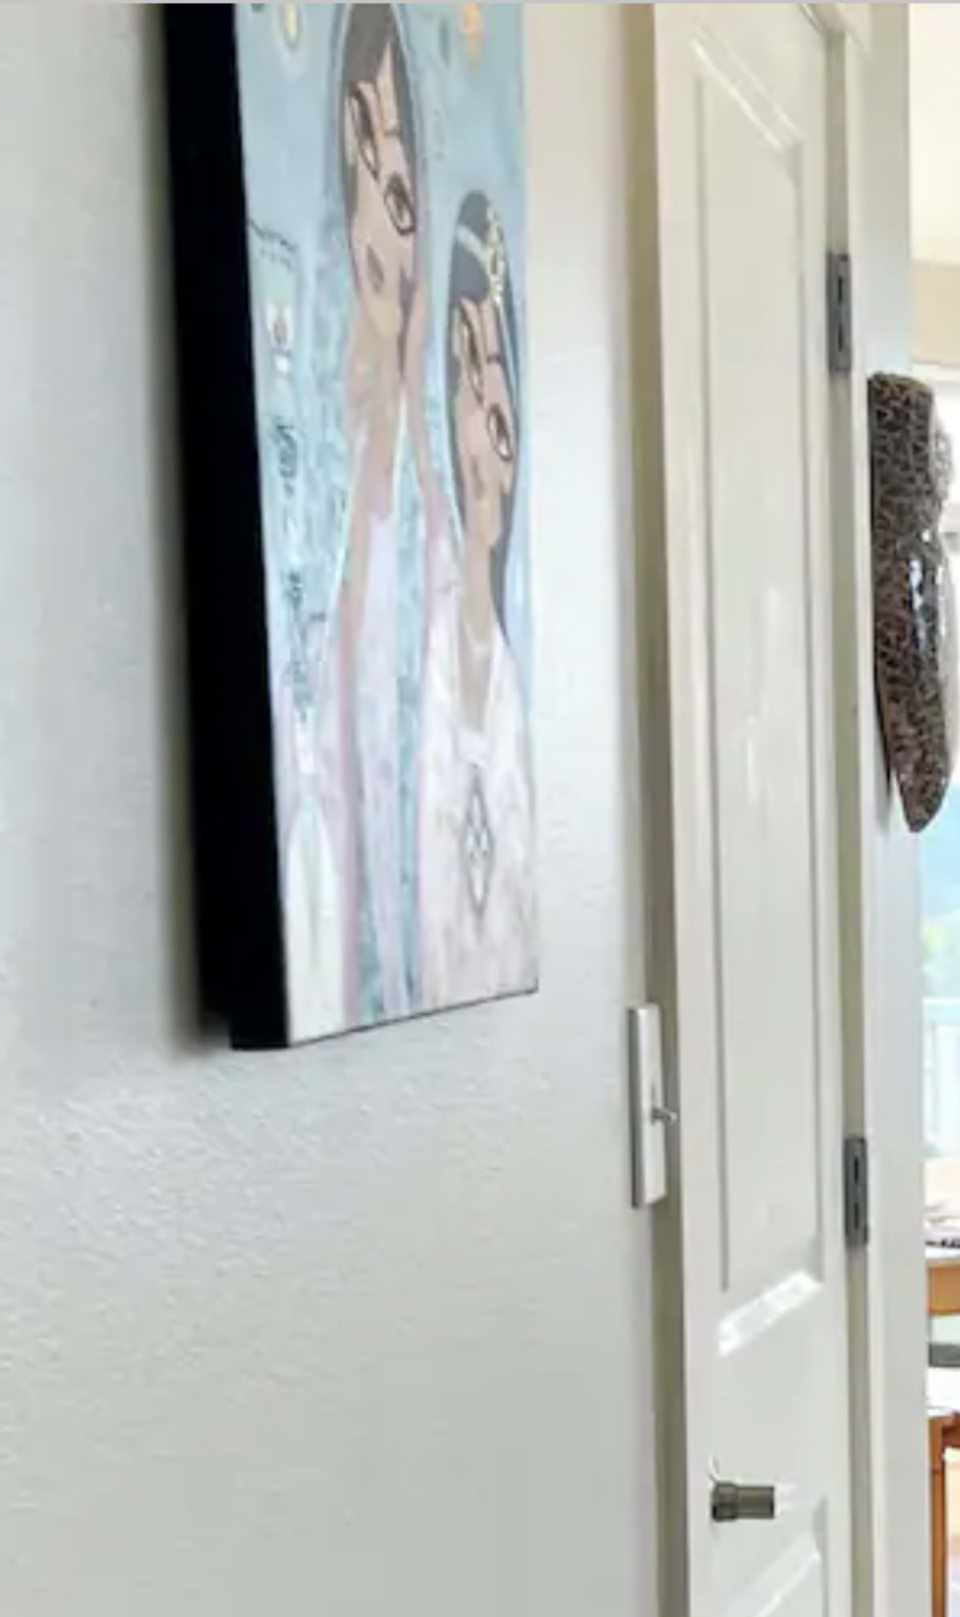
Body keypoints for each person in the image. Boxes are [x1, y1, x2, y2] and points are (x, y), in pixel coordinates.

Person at [299, 1, 428, 1035]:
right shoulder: (322, 515)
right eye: (361, 180)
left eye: (400, 194)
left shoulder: (424, 555)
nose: (379, 234)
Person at [417, 187, 534, 1005]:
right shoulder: (416, 656)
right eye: (465, 376)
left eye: (499, 405)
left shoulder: (512, 698)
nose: (483, 431)